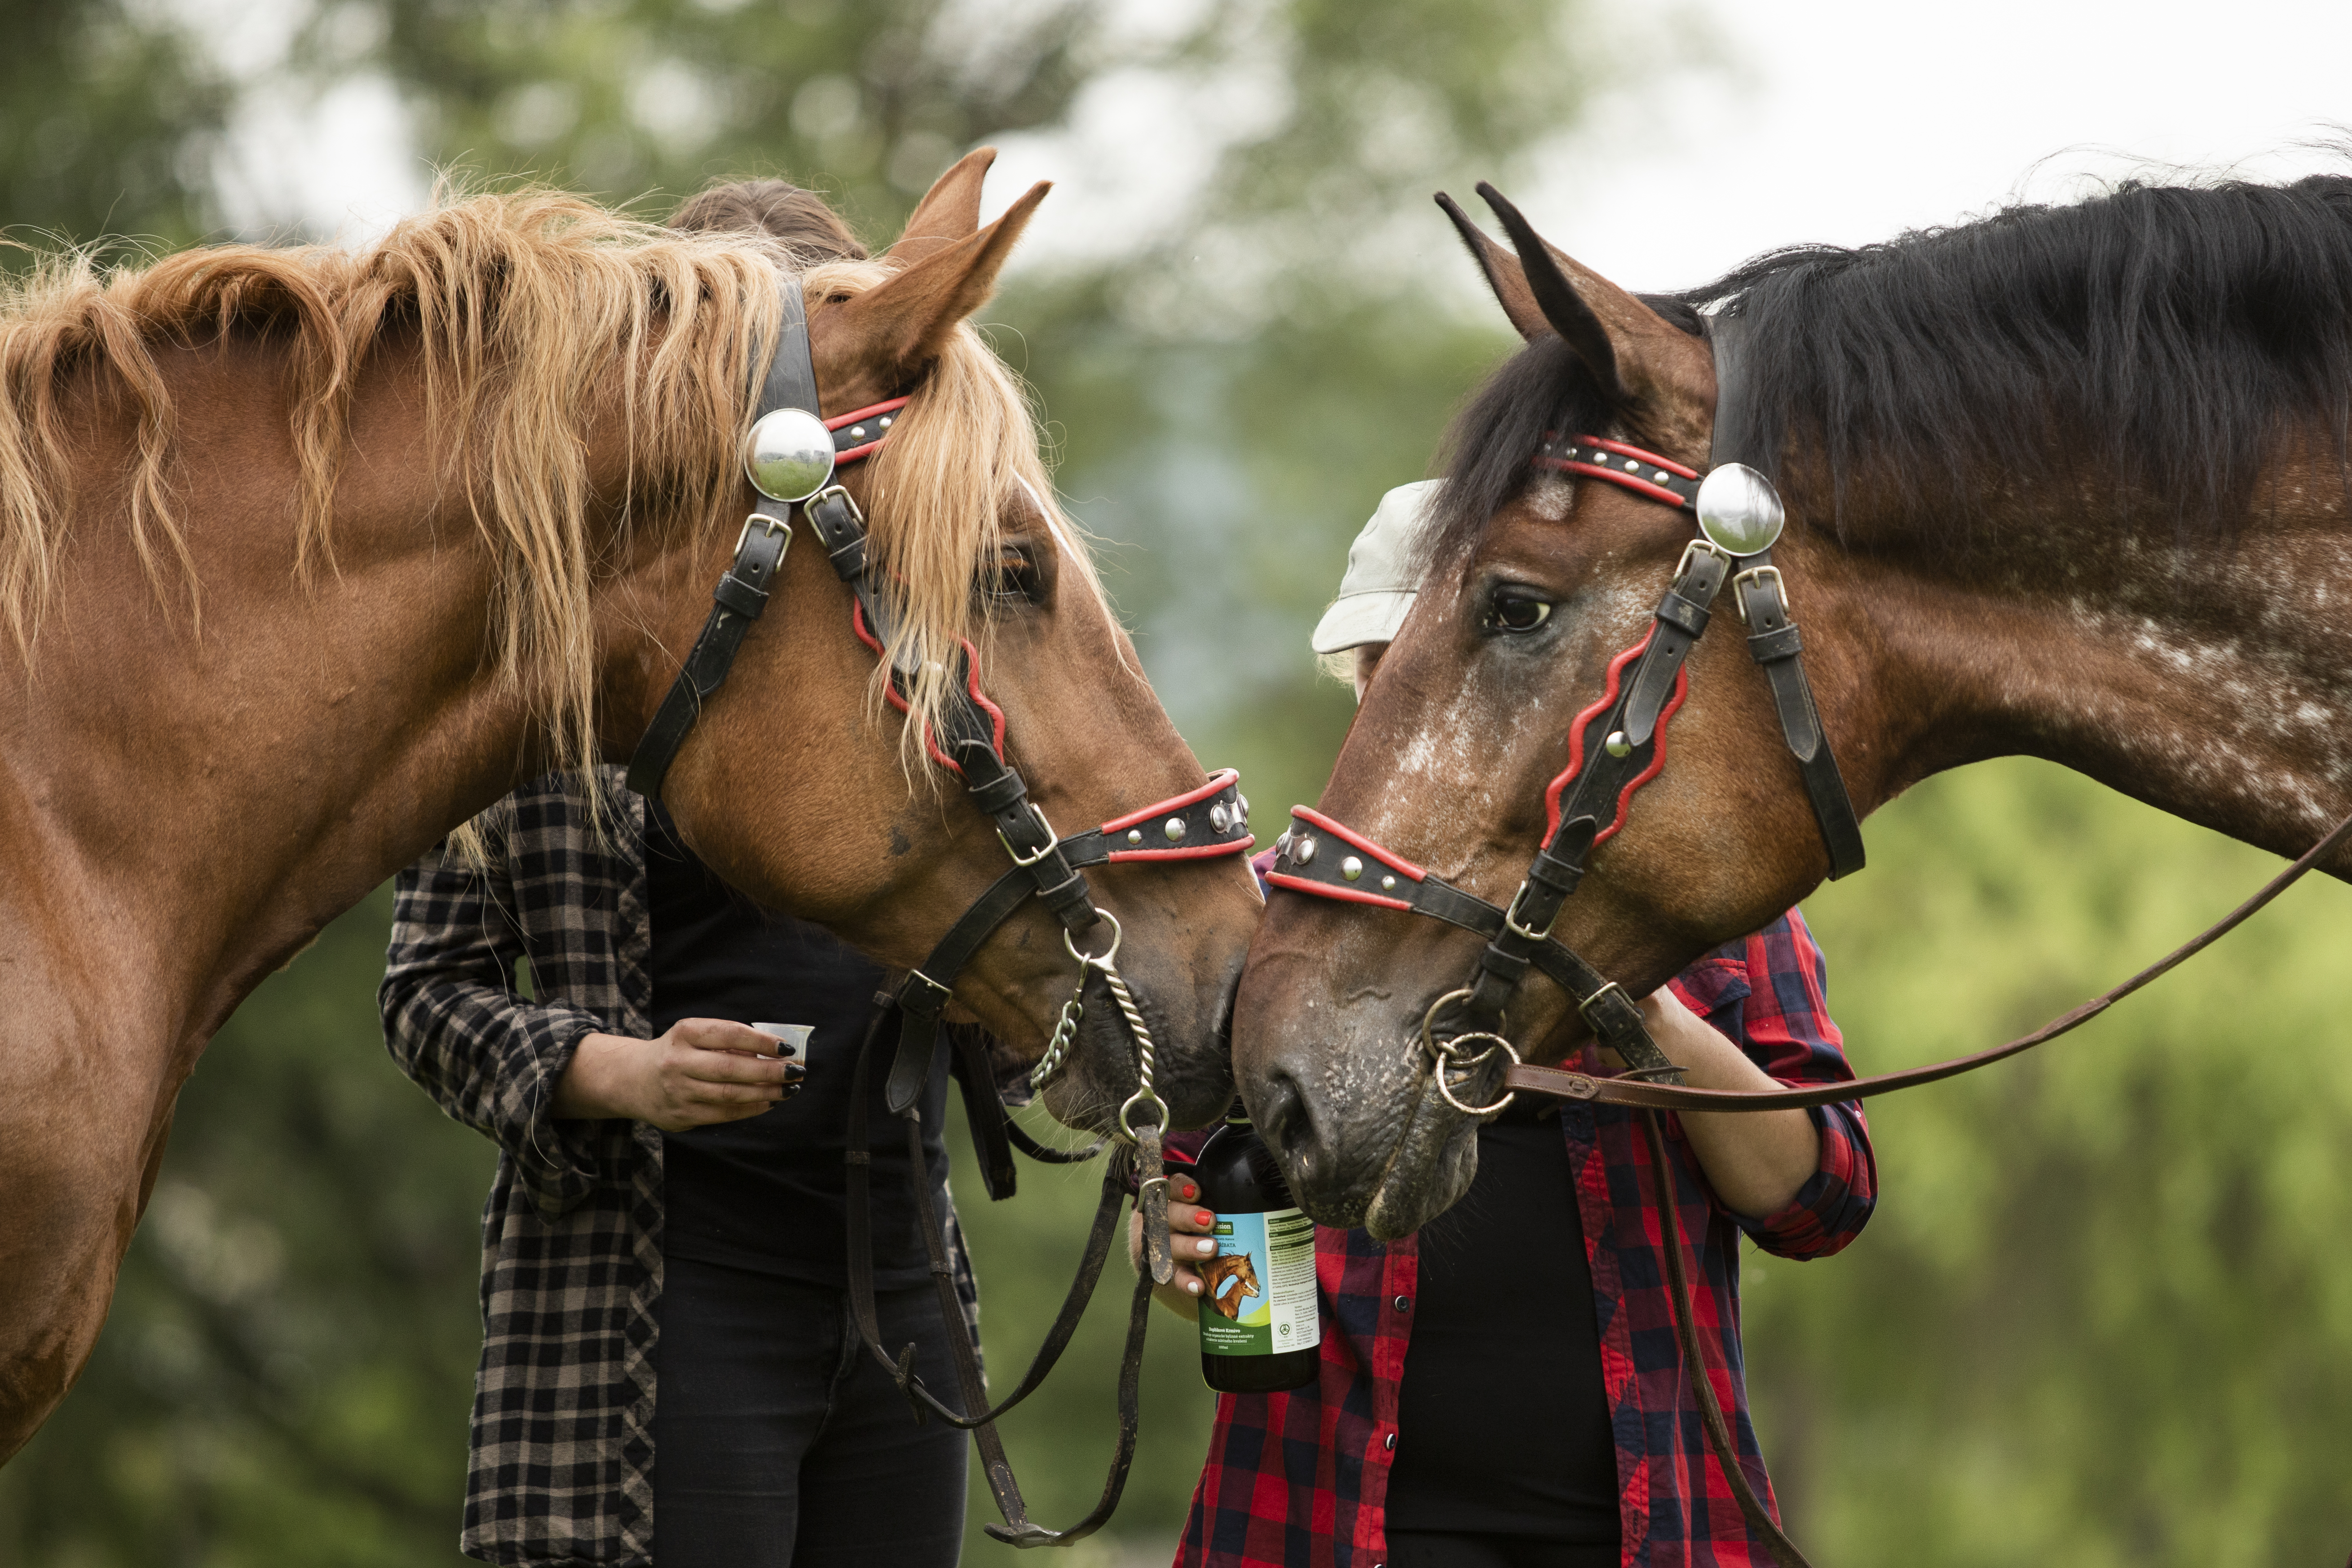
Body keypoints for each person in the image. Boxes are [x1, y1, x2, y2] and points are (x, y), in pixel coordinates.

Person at [378, 181, 1010, 1568]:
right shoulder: (547, 668)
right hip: (661, 1286)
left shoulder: (912, 666)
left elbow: (1009, 980)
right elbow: (427, 994)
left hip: (901, 1281)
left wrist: (988, 1020)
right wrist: (620, 1071)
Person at [1144, 481, 1878, 1568]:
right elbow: (1184, 1193)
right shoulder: (1265, 920)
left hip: (1650, 1524)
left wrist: (1648, 1010)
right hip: (1327, 1523)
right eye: (1386, 679)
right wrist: (1165, 1241)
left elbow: (1823, 1203)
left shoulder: (1714, 919)